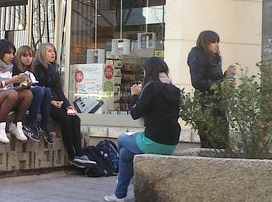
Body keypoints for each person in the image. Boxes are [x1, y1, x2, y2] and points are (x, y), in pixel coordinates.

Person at [104, 57, 181, 202]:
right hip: (171, 142)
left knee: (121, 139)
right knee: (125, 153)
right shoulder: (174, 90)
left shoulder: (152, 87)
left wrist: (135, 95)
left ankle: (123, 178)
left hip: (153, 140)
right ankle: (119, 194)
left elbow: (135, 113)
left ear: (149, 72)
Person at [34, 42, 95, 168]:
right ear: (42, 53)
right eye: (49, 51)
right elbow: (37, 89)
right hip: (44, 103)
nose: (53, 54)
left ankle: (79, 153)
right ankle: (72, 155)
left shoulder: (54, 70)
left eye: (54, 51)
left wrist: (68, 105)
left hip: (58, 102)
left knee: (75, 118)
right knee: (65, 119)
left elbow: (59, 91)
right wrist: (51, 101)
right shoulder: (37, 68)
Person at [187, 30, 236, 149]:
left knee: (222, 141)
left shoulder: (213, 58)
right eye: (213, 42)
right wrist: (220, 85)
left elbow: (215, 80)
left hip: (217, 104)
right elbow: (197, 82)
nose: (217, 45)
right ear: (205, 43)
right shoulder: (197, 56)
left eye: (217, 42)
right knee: (212, 142)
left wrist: (226, 76)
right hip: (206, 106)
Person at [13, 45, 54, 144]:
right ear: (19, 57)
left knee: (47, 91)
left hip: (30, 94)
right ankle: (30, 124)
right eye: (25, 56)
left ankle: (45, 124)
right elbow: (13, 86)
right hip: (18, 96)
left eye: (30, 56)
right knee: (40, 91)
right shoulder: (15, 69)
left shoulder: (32, 70)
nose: (28, 58)